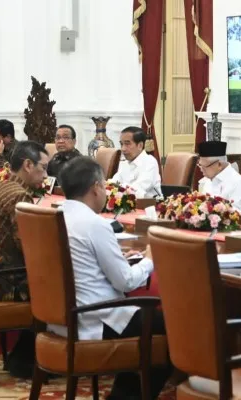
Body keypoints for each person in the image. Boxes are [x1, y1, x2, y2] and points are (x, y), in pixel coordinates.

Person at [58, 156, 172, 399]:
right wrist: (150, 259)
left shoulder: (57, 216)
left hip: (65, 316)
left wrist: (122, 258)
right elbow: (126, 282)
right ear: (96, 188)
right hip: (100, 316)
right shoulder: (94, 224)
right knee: (177, 327)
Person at [0, 140, 49, 302]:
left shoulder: (2, 185)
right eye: (43, 168)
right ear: (28, 165)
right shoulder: (19, 195)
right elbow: (28, 248)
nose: (45, 176)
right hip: (5, 283)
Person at [196, 140, 241, 213]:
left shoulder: (238, 183)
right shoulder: (209, 181)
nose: (201, 169)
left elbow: (238, 214)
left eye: (204, 166)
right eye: (200, 165)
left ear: (219, 165)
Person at [112, 126, 162, 198]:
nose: (123, 149)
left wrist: (118, 188)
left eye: (127, 144)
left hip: (151, 206)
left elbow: (136, 189)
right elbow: (114, 183)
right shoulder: (124, 163)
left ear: (140, 145)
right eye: (121, 144)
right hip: (129, 204)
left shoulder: (150, 162)